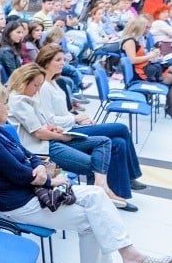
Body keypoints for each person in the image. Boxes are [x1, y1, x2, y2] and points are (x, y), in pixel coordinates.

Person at [0, 83, 172, 263]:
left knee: (95, 194)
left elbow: (28, 153)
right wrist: (48, 180)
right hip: (16, 204)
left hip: (28, 193)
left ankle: (129, 254)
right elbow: (19, 174)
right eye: (5, 103)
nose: (9, 107)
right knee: (91, 221)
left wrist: (38, 167)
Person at [7, 64, 132, 209]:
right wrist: (62, 136)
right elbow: (38, 132)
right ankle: (99, 195)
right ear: (24, 82)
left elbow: (40, 125)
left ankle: (101, 187)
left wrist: (52, 128)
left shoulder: (31, 96)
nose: (38, 89)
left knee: (105, 142)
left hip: (50, 139)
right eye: (36, 85)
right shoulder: (19, 100)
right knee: (96, 163)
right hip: (43, 147)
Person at [35, 45, 145, 202]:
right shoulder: (44, 86)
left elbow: (63, 113)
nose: (62, 63)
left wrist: (78, 116)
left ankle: (119, 193)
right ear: (46, 62)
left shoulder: (54, 82)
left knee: (118, 143)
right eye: (57, 60)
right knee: (120, 128)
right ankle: (132, 175)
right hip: (65, 132)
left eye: (62, 59)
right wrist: (75, 119)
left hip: (72, 126)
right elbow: (49, 119)